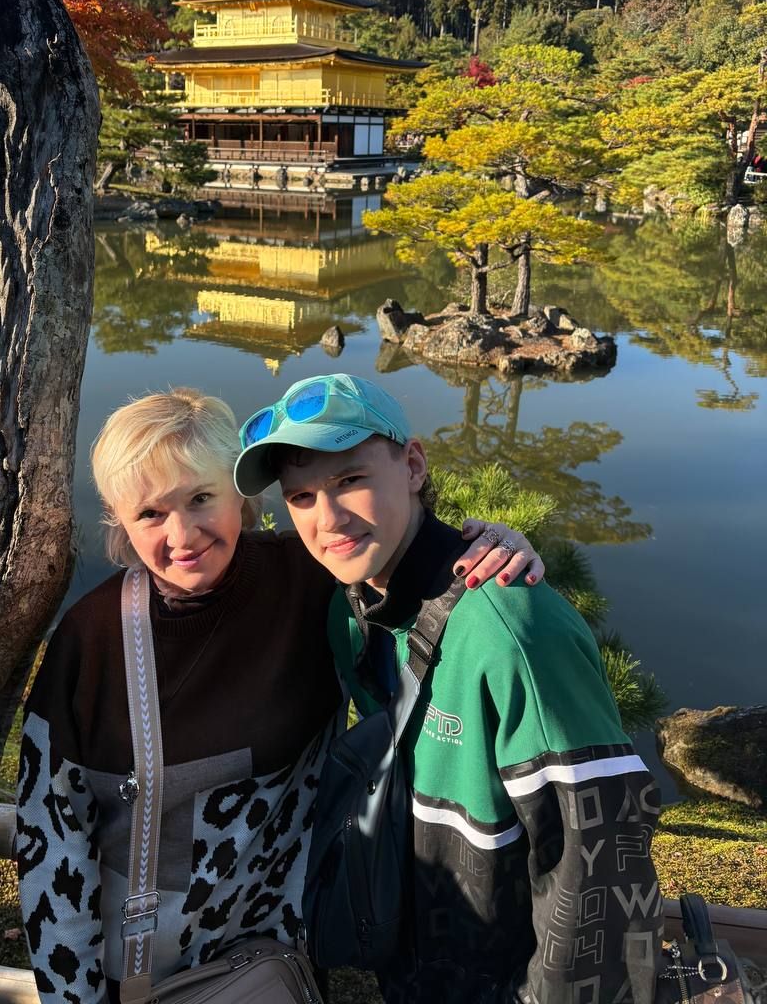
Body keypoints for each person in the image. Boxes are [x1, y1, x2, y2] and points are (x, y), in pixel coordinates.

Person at [16, 388, 545, 1004]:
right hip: (143, 978)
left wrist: (485, 548)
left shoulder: (313, 582)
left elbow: (408, 568)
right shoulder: (93, 640)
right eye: (151, 514)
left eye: (201, 498)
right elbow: (52, 840)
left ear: (241, 495)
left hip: (281, 960)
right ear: (119, 520)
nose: (182, 534)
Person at [232, 372, 663, 1004]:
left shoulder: (511, 630)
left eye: (350, 480)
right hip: (421, 964)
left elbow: (596, 867)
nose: (329, 520)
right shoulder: (351, 608)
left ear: (412, 465)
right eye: (301, 497)